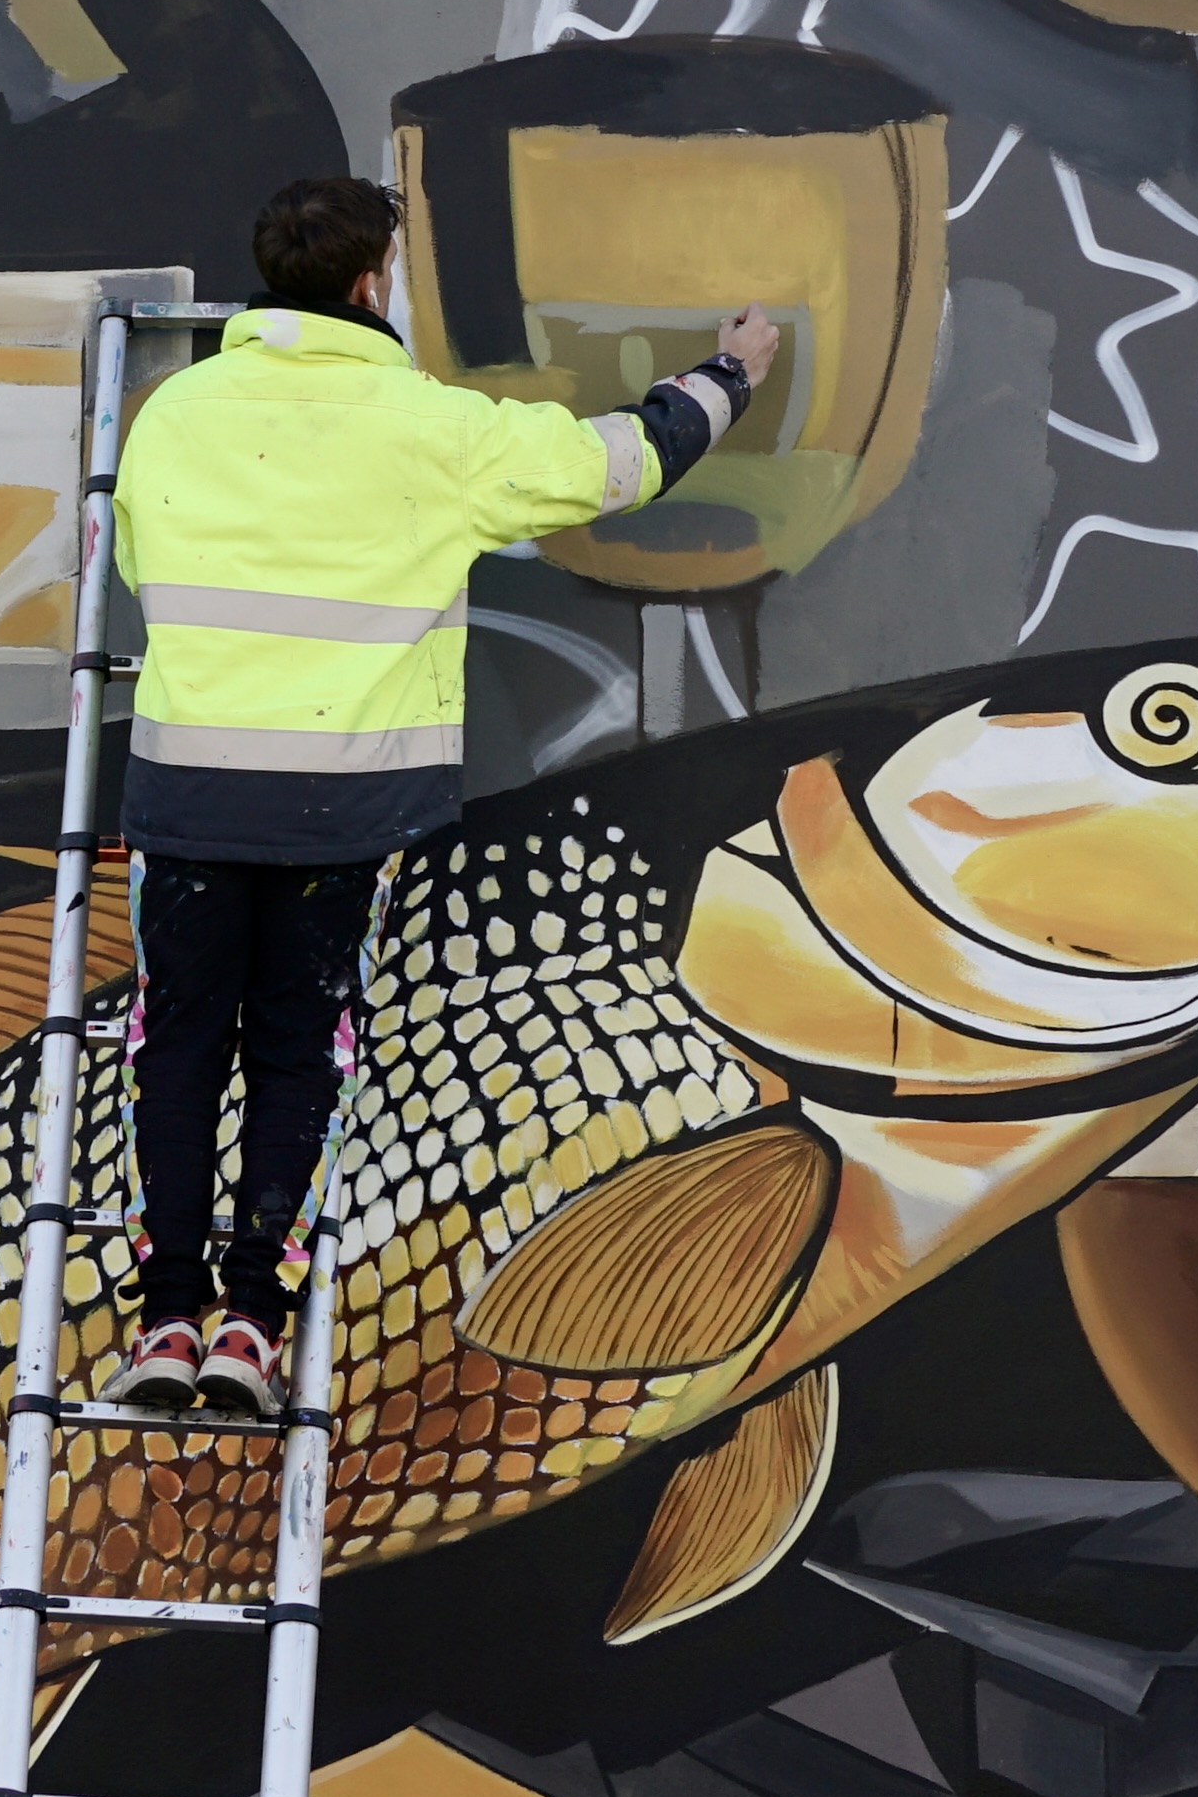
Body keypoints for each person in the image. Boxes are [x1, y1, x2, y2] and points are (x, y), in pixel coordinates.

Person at [99, 172, 777, 1421]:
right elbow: (616, 465)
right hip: (336, 813)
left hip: (188, 795)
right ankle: (253, 1320)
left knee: (178, 1045)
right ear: (372, 283)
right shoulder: (437, 429)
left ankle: (164, 1318)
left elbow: (137, 563)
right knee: (303, 1050)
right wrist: (730, 373)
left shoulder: (171, 413)